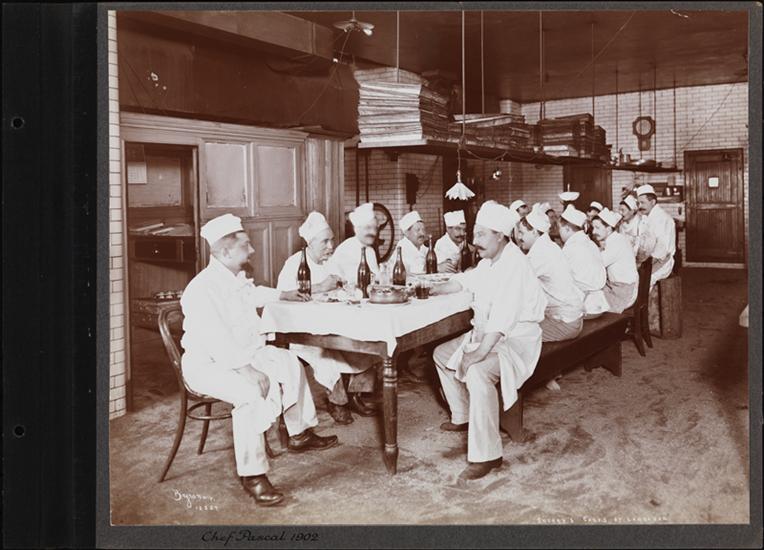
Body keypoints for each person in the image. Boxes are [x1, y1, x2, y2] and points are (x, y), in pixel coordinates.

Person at [180, 214, 338, 507]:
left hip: (242, 353)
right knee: (251, 393)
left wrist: (286, 294)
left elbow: (254, 295)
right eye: (245, 246)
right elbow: (216, 339)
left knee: (290, 363)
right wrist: (248, 370)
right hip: (207, 365)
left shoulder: (233, 278)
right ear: (225, 251)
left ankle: (300, 433)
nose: (252, 250)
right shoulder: (202, 289)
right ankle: (253, 474)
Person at [430, 201, 546, 480]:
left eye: (481, 234)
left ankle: (488, 455)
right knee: (441, 354)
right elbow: (465, 281)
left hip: (517, 340)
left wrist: (478, 353)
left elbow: (503, 319)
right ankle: (463, 415)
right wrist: (434, 288)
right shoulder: (489, 262)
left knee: (478, 371)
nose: (474, 240)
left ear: (500, 235)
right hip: (491, 335)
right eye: (475, 233)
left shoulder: (514, 264)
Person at [276, 211, 378, 424]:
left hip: (333, 326)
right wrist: (320, 287)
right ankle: (337, 400)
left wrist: (347, 288)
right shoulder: (295, 263)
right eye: (325, 241)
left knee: (366, 346)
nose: (331, 246)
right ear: (310, 243)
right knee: (326, 356)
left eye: (332, 240)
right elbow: (282, 296)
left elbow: (344, 285)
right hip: (304, 332)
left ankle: (356, 395)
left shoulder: (330, 262)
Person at [516, 204, 585, 342]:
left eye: (522, 232)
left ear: (534, 232)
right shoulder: (548, 246)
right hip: (571, 317)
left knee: (509, 334)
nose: (519, 237)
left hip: (564, 323)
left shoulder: (541, 253)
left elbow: (516, 278)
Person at [558, 205, 609, 318]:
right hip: (599, 305)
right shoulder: (590, 243)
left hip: (586, 307)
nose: (559, 233)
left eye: (560, 229)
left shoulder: (571, 247)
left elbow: (561, 279)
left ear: (567, 228)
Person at [591, 208, 639, 313]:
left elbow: (596, 265)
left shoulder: (616, 243)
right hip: (619, 287)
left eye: (597, 228)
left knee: (589, 298)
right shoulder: (617, 238)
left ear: (608, 228)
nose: (594, 232)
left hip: (622, 292)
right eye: (593, 228)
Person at [636, 184, 676, 286]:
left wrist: (642, 266)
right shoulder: (645, 217)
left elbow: (661, 251)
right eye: (638, 203)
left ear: (653, 202)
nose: (639, 206)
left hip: (662, 262)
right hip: (647, 260)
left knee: (641, 281)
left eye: (642, 203)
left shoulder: (662, 219)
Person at [331, 202, 380, 284]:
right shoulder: (346, 249)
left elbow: (376, 278)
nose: (373, 232)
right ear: (356, 229)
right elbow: (351, 281)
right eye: (368, 228)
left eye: (375, 228)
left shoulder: (370, 251)